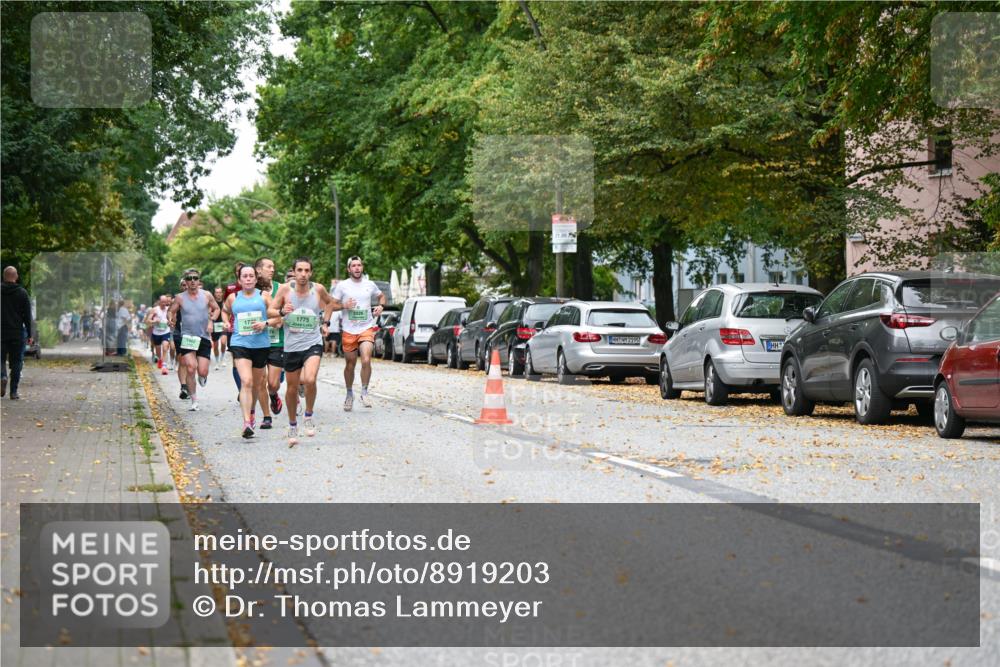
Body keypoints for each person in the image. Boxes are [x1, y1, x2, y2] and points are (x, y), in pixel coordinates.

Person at [269, 257, 338, 445]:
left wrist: (326, 322)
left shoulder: (318, 289)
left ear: (311, 273)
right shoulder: (285, 290)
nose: (303, 274)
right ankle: (292, 424)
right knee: (291, 388)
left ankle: (308, 415)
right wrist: (282, 312)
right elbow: (270, 311)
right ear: (294, 272)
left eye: (307, 271)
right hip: (291, 346)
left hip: (312, 342)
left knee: (310, 379)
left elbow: (330, 303)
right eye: (299, 270)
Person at [224, 264, 280, 439]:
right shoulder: (233, 298)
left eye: (250, 276)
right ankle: (247, 422)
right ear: (239, 280)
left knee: (257, 384)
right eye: (244, 276)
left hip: (261, 345)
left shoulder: (264, 297)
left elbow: (278, 318)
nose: (247, 279)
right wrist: (226, 322)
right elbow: (224, 312)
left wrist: (265, 323)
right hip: (240, 343)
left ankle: (253, 413)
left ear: (256, 279)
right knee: (246, 381)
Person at [328, 256, 385, 411]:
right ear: (349, 269)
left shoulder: (369, 284)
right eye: (353, 265)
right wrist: (344, 305)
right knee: (350, 364)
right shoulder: (342, 286)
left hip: (366, 328)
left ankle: (364, 391)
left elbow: (381, 296)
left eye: (359, 265)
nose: (357, 268)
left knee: (366, 359)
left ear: (362, 267)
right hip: (348, 330)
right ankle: (349, 393)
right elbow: (331, 306)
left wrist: (380, 306)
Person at [168, 269, 219, 411]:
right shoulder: (179, 297)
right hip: (188, 337)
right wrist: (170, 319)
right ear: (185, 281)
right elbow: (171, 311)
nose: (192, 281)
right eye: (189, 278)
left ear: (199, 280)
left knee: (202, 371)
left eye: (195, 278)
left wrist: (211, 320)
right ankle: (194, 399)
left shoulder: (207, 295)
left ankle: (203, 377)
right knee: (191, 368)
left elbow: (216, 309)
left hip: (203, 337)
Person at [1, 266, 32, 400]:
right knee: (17, 362)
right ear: (16, 276)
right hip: (17, 332)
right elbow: (27, 316)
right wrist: (30, 334)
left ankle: (2, 376)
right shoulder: (22, 293)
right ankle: (13, 392)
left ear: (3, 276)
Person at [145, 294, 173, 375]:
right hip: (156, 333)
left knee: (165, 347)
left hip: (166, 332)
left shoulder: (169, 310)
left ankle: (164, 366)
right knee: (158, 351)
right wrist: (154, 321)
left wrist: (170, 322)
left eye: (166, 302)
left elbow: (173, 319)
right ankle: (160, 359)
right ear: (159, 302)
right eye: (162, 302)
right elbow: (147, 321)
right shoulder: (154, 310)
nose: (164, 304)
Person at [210, 286, 227, 370]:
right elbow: (209, 313)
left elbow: (229, 313)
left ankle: (222, 358)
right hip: (215, 326)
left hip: (223, 325)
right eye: (217, 292)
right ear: (214, 294)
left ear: (222, 293)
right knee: (215, 346)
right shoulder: (212, 303)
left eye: (220, 292)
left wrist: (227, 322)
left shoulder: (225, 302)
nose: (218, 294)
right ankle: (217, 362)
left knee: (223, 342)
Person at [325, 279, 342, 357]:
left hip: (328, 327)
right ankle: (332, 353)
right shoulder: (338, 311)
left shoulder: (327, 308)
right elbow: (341, 319)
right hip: (335, 328)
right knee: (334, 341)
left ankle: (325, 353)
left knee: (327, 340)